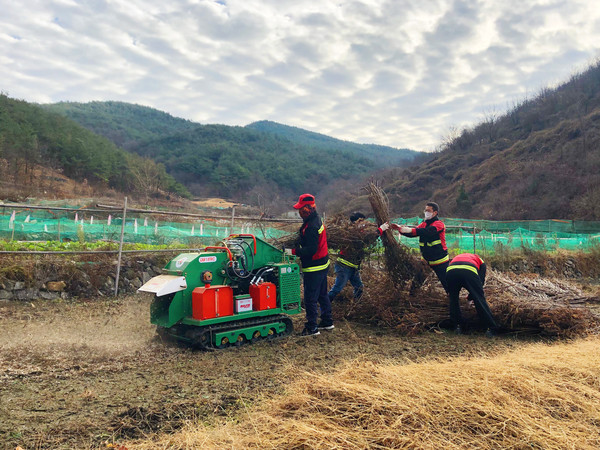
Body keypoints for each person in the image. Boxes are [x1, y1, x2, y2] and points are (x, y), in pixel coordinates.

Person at [290, 193, 333, 336]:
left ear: (309, 208)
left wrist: (293, 251)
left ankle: (312, 327)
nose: (300, 212)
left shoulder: (311, 226)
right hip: (322, 263)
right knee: (322, 294)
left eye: (302, 209)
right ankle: (327, 321)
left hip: (314, 266)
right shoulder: (314, 220)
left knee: (310, 298)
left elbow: (311, 249)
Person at [328, 212, 388, 302]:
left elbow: (367, 238)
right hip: (344, 266)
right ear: (356, 222)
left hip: (353, 267)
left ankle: (356, 305)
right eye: (362, 221)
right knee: (337, 289)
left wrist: (380, 230)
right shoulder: (351, 233)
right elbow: (366, 238)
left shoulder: (358, 232)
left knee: (359, 288)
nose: (365, 224)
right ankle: (324, 304)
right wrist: (380, 229)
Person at [390, 202, 449, 292]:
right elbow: (415, 232)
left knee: (447, 284)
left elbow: (427, 231)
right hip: (425, 260)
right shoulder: (424, 224)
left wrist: (410, 229)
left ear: (435, 213)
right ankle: (412, 297)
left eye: (428, 211)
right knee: (416, 283)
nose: (426, 212)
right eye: (425, 210)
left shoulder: (439, 224)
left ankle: (453, 300)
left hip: (439, 260)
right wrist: (401, 230)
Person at [446, 253, 499, 337]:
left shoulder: (458, 257)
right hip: (468, 270)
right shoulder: (481, 261)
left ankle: (457, 327)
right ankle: (490, 328)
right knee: (479, 298)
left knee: (453, 299)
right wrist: (472, 296)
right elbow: (480, 283)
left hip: (451, 271)